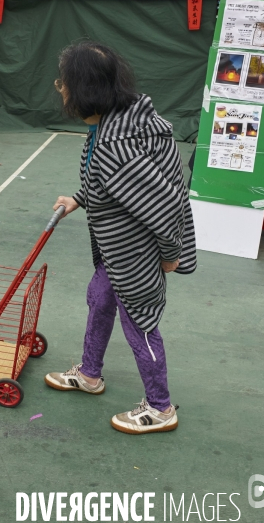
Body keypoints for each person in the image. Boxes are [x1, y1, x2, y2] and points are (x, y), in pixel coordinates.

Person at [45, 41, 197, 435]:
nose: (59, 87)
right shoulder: (116, 119)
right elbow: (113, 186)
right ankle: (90, 373)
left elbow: (162, 204)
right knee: (99, 300)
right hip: (119, 252)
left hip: (137, 256)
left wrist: (170, 255)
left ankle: (161, 408)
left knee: (140, 327)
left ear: (84, 89)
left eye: (63, 82)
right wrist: (79, 199)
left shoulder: (117, 146)